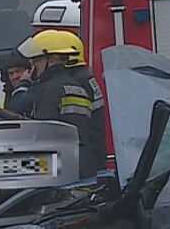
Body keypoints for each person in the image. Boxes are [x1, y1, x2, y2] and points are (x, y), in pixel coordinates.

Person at [18, 30, 106, 177]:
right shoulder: (77, 87)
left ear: (51, 60)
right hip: (82, 166)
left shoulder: (49, 90)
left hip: (58, 170)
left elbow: (42, 135)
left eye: (37, 60)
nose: (33, 66)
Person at [1, 49, 35, 117]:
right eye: (11, 73)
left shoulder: (35, 92)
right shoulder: (6, 97)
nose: (15, 76)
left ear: (29, 71)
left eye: (18, 71)